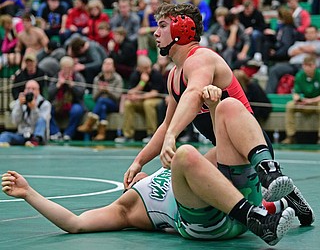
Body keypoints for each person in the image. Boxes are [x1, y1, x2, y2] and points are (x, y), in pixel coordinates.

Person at [1, 94, 297, 246]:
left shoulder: (158, 175)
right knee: (184, 155)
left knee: (230, 109)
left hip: (234, 213)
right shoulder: (125, 208)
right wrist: (29, 194)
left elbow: (220, 154)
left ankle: (278, 186)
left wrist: (213, 105)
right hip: (208, 226)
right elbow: (74, 223)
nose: (135, 178)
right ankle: (261, 214)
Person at [123, 3, 294, 204]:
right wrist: (139, 162)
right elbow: (166, 125)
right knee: (188, 185)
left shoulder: (201, 58)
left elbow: (194, 93)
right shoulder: (174, 75)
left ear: (182, 29)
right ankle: (284, 198)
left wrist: (172, 137)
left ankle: (271, 188)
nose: (156, 33)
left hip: (248, 148)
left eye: (162, 26)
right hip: (222, 151)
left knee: (206, 192)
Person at [114, 55, 165, 144]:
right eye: (145, 68)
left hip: (156, 100)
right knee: (128, 104)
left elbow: (154, 93)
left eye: (149, 67)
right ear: (139, 68)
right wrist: (142, 83)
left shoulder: (156, 74)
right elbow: (130, 92)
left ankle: (151, 134)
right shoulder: (135, 75)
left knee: (148, 103)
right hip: (141, 100)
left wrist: (139, 97)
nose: (148, 70)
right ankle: (128, 135)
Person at [77, 58, 124, 141]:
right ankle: (101, 133)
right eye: (105, 63)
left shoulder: (118, 78)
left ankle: (89, 124)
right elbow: (94, 97)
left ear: (114, 67)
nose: (107, 66)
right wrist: (100, 91)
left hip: (114, 104)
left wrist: (107, 91)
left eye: (110, 64)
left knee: (102, 101)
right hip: (101, 104)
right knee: (102, 106)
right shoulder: (97, 78)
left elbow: (117, 97)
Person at [265, 25, 320, 94]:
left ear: (317, 33)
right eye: (307, 33)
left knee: (303, 72)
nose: (309, 35)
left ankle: (302, 96)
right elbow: (290, 52)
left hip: (308, 66)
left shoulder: (318, 44)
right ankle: (269, 95)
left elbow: (315, 49)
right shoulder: (299, 43)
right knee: (274, 70)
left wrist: (301, 49)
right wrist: (308, 50)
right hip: (292, 65)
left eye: (311, 32)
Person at [281, 55, 320, 144]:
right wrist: (297, 98)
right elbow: (296, 92)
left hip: (316, 103)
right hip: (303, 103)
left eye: (309, 65)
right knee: (290, 105)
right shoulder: (299, 76)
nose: (306, 68)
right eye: (305, 65)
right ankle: (290, 136)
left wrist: (311, 101)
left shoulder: (319, 75)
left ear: (314, 65)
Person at [0, 80, 51, 147]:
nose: (30, 91)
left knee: (41, 120)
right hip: (22, 135)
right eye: (28, 88)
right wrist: (19, 106)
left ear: (38, 91)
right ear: (24, 90)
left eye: (33, 89)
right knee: (5, 135)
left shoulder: (45, 104)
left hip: (37, 136)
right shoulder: (19, 102)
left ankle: (34, 141)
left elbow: (40, 123)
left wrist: (34, 109)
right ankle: (2, 144)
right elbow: (15, 121)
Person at [48, 56, 86, 141]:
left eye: (69, 68)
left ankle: (68, 134)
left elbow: (81, 93)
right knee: (47, 108)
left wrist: (72, 86)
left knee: (77, 110)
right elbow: (49, 94)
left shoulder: (78, 77)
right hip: (58, 104)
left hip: (74, 103)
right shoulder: (56, 76)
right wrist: (57, 85)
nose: (67, 70)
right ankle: (55, 132)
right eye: (65, 68)